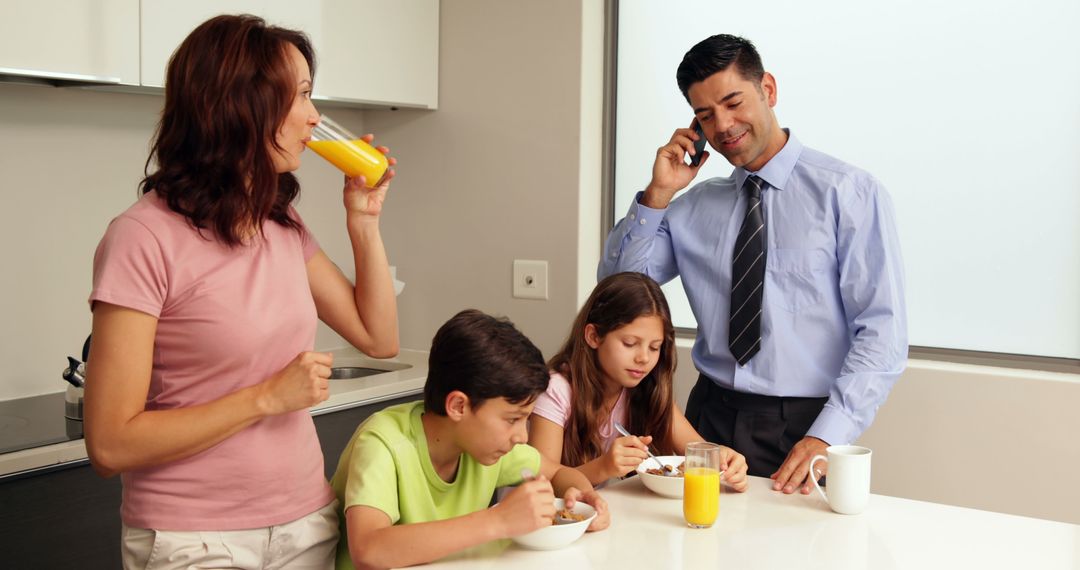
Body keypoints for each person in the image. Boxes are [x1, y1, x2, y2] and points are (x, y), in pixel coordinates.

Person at [83, 14, 400, 569]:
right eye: (299, 95)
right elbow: (110, 445)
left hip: (305, 524)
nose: (314, 116)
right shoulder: (142, 238)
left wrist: (363, 223)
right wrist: (265, 398)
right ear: (239, 106)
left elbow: (379, 338)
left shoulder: (281, 224)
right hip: (194, 540)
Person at [599, 34, 907, 495]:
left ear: (768, 89)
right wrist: (657, 194)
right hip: (706, 418)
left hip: (803, 425)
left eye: (732, 102)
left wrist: (828, 433)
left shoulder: (849, 194)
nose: (723, 125)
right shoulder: (690, 208)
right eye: (706, 114)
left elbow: (882, 331)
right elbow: (617, 294)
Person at [330, 309, 609, 570]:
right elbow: (369, 550)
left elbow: (558, 472)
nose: (522, 436)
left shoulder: (485, 445)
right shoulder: (383, 443)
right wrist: (498, 521)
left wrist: (584, 497)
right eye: (512, 419)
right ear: (459, 407)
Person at [528, 272, 748, 491]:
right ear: (594, 336)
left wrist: (722, 458)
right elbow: (544, 483)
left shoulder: (644, 388)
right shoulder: (557, 390)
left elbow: (696, 450)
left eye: (654, 347)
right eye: (630, 343)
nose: (643, 358)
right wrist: (603, 468)